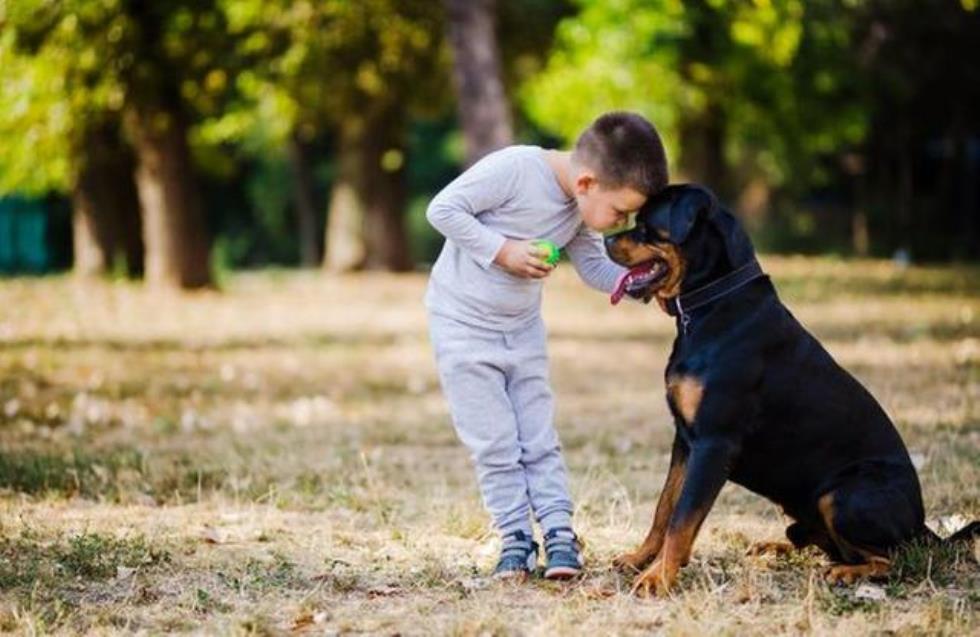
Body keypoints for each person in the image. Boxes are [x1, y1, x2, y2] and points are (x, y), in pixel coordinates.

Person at [425, 112, 669, 581]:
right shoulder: (514, 170)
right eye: (620, 213)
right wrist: (503, 250)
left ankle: (559, 533)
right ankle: (516, 537)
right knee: (495, 442)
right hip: (461, 327)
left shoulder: (580, 211)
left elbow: (597, 270)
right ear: (586, 181)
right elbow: (442, 210)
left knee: (537, 435)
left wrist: (649, 284)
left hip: (521, 331)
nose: (622, 223)